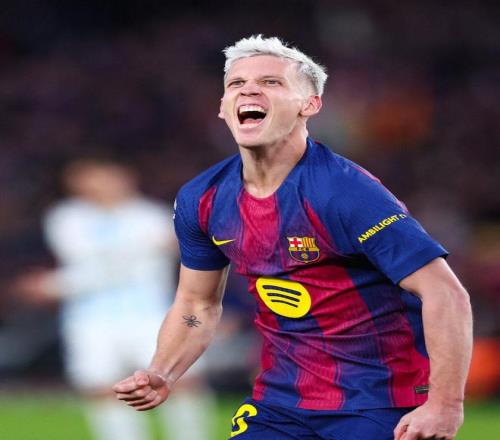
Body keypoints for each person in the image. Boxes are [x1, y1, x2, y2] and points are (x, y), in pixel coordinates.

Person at [113, 35, 473, 440]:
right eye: (237, 83)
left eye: (271, 82)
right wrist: (163, 371)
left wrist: (445, 405)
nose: (249, 90)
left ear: (310, 105)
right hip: (281, 404)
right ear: (222, 107)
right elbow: (197, 303)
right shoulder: (202, 198)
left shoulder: (345, 193)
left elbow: (446, 294)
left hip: (378, 402)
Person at [17, 158, 215, 440]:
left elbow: (95, 268)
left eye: (101, 176)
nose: (96, 185)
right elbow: (94, 267)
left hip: (151, 314)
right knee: (103, 388)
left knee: (179, 380)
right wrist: (144, 251)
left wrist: (53, 285)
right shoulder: (67, 218)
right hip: (91, 319)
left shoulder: (153, 216)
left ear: (123, 177)